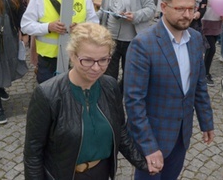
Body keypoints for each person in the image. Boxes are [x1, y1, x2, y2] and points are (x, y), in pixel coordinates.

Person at [23, 23, 149, 179]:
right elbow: (33, 153)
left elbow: (120, 130)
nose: (96, 68)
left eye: (103, 59)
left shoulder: (110, 86)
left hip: (101, 172)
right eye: (88, 60)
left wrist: (144, 162)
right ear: (72, 55)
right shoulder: (47, 95)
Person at [124, 0, 214, 180]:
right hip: (153, 139)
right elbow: (133, 101)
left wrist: (206, 121)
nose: (187, 15)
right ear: (163, 7)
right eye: (181, 9)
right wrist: (148, 146)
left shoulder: (195, 39)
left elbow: (199, 86)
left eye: (191, 8)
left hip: (181, 136)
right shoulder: (143, 44)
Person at [21, 0, 99, 84]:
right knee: (49, 96)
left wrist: (81, 28)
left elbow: (94, 23)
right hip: (48, 60)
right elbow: (25, 26)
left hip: (77, 58)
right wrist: (48, 27)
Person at [98, 0, 155, 91]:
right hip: (111, 38)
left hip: (131, 39)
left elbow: (151, 9)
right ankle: (111, 100)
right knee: (108, 75)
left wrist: (135, 15)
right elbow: (103, 11)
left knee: (130, 75)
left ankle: (122, 94)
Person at [202, 0, 223, 86]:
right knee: (211, 49)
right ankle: (205, 73)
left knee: (210, 49)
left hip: (217, 25)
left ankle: (204, 71)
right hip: (207, 24)